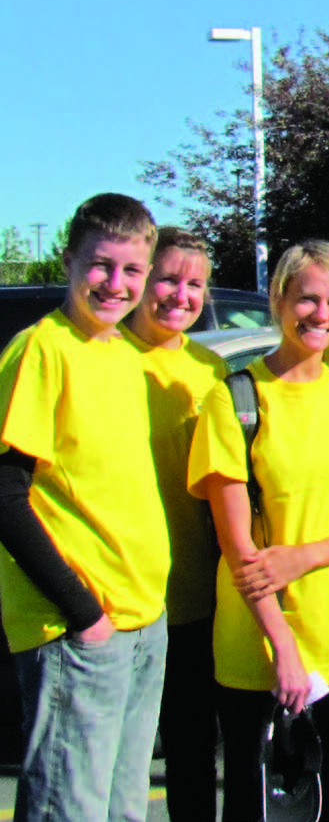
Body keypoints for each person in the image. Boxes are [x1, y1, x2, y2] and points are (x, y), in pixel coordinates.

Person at [188, 240, 329, 821]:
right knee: (261, 809)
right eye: (307, 299)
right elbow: (238, 546)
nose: (320, 315)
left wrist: (301, 557)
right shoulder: (236, 400)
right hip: (261, 653)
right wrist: (284, 649)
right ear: (278, 299)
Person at [0, 193, 169, 822]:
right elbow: (5, 494)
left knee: (123, 809)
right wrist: (83, 612)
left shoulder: (123, 355)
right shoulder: (42, 349)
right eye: (101, 265)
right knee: (68, 811)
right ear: (69, 260)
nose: (115, 283)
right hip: (77, 629)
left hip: (141, 619)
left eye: (131, 270)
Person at [122, 227, 226, 822]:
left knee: (191, 754)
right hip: (119, 597)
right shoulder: (107, 359)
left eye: (194, 284)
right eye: (167, 279)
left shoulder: (211, 370)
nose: (179, 295)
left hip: (193, 596)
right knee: (121, 761)